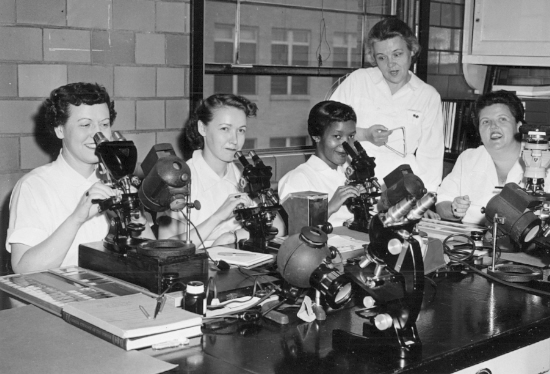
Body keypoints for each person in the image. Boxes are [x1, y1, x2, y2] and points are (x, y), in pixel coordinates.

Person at [7, 82, 149, 273]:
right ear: (60, 129)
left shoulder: (118, 181)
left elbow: (150, 258)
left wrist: (135, 214)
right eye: (85, 125)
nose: (98, 135)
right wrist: (77, 218)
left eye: (104, 124)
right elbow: (24, 270)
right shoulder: (34, 187)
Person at [330, 17, 444, 197]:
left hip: (401, 191)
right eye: (382, 57)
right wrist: (365, 134)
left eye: (397, 54)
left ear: (412, 50)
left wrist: (427, 198)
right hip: (350, 185)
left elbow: (431, 156)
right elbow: (328, 129)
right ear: (373, 58)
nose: (391, 64)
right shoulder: (358, 81)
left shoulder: (428, 96)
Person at [436, 90, 550, 225]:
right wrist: (455, 210)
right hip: (475, 243)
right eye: (485, 121)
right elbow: (442, 203)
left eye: (502, 119)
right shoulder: (468, 159)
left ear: (519, 126)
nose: (493, 126)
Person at [158, 94, 257, 247]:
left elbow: (278, 226)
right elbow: (165, 247)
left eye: (241, 130)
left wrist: (231, 237)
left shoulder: (239, 174)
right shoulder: (180, 179)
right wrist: (217, 218)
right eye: (225, 129)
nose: (235, 140)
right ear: (202, 128)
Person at [278, 100, 361, 228]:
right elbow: (294, 231)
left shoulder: (350, 172)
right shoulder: (297, 179)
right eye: (337, 137)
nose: (346, 145)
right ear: (317, 136)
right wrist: (330, 207)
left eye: (351, 136)